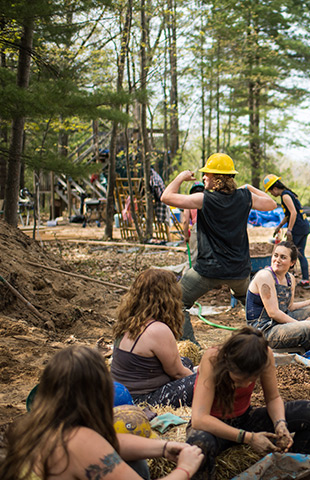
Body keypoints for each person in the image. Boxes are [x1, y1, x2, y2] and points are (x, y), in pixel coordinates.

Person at [0, 345, 203, 480]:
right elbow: (95, 446)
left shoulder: (38, 426)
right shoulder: (78, 440)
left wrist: (164, 447)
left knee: (136, 461)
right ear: (100, 391)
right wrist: (185, 469)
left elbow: (112, 441)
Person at [161, 153, 278, 344]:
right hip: (239, 272)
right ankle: (267, 342)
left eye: (207, 174)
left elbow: (166, 197)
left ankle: (190, 347)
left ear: (217, 178)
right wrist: (249, 187)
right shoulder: (245, 197)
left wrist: (181, 177)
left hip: (208, 270)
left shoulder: (204, 199)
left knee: (175, 303)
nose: (204, 177)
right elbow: (272, 203)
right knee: (255, 306)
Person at [186, 327, 310, 479]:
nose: (247, 385)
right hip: (214, 427)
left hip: (244, 418)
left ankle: (290, 471)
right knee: (198, 446)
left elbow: (273, 398)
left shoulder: (264, 355)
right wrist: (249, 438)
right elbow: (199, 419)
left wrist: (280, 423)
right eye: (239, 380)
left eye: (251, 380)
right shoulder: (213, 358)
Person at [111, 268, 196, 408]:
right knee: (207, 380)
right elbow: (177, 372)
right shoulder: (157, 330)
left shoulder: (130, 320)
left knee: (185, 361)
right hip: (143, 399)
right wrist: (197, 377)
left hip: (124, 392)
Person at [245, 241, 310, 352]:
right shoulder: (265, 276)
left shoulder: (290, 278)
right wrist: (301, 323)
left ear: (292, 262)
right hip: (263, 330)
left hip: (280, 323)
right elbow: (273, 313)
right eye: (275, 255)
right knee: (308, 327)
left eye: (283, 257)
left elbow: (289, 307)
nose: (277, 260)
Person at [262, 174, 310, 289]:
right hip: (304, 226)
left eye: (270, 192)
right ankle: (305, 280)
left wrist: (289, 230)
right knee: (300, 253)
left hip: (298, 228)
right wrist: (279, 226)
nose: (272, 195)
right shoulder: (288, 194)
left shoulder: (285, 196)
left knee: (288, 253)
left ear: (274, 188)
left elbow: (293, 213)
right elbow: (288, 215)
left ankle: (288, 279)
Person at [179, 181, 205, 266]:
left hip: (197, 227)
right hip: (209, 227)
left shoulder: (190, 201)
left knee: (194, 256)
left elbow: (185, 221)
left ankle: (191, 274)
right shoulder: (208, 199)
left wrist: (186, 236)